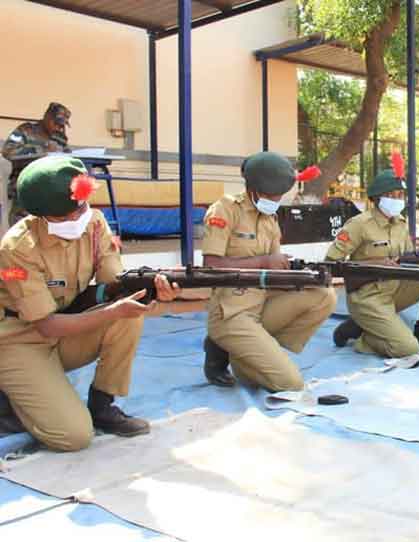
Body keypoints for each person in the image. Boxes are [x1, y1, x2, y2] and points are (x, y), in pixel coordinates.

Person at [0, 156, 179, 450]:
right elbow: (45, 325)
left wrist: (154, 289)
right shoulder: (17, 248)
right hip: (19, 341)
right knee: (74, 436)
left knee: (127, 314)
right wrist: (113, 311)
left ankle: (102, 405)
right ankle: (12, 401)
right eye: (65, 215)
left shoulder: (94, 224)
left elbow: (115, 283)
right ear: (42, 214)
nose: (77, 219)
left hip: (65, 329)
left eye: (81, 207)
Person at [202, 152, 336, 389]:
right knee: (291, 384)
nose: (275, 198)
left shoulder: (270, 219)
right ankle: (229, 346)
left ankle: (253, 348)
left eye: (279, 194)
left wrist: (299, 277)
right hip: (231, 311)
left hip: (261, 303)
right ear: (252, 188)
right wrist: (264, 261)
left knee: (323, 295)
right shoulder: (225, 210)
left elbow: (273, 270)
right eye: (270, 194)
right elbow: (211, 267)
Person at [327, 157, 419, 358]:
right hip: (368, 296)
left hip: (396, 290)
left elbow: (411, 260)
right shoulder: (359, 224)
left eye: (401, 194)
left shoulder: (400, 223)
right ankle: (363, 336)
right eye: (393, 195)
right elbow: (331, 263)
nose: (398, 199)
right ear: (378, 197)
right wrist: (373, 264)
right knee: (407, 348)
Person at [2, 103, 71, 227]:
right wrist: (40, 151)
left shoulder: (60, 138)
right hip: (25, 187)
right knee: (21, 228)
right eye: (55, 123)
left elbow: (68, 157)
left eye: (61, 125)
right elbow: (8, 151)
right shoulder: (25, 130)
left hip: (51, 190)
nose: (58, 128)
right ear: (47, 117)